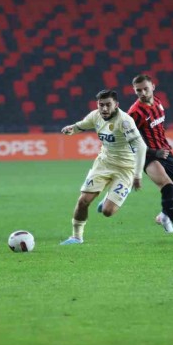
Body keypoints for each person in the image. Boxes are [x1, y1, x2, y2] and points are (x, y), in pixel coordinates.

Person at [59, 89, 147, 245]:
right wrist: (71, 129)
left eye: (108, 105)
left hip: (126, 168)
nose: (104, 109)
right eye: (101, 105)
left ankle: (109, 197)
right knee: (83, 200)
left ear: (116, 105)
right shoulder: (95, 115)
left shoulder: (125, 121)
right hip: (104, 163)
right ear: (97, 105)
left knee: (108, 212)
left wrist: (138, 175)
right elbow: (81, 126)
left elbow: (141, 146)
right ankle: (76, 237)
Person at [126, 74, 173, 237]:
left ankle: (164, 216)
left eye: (145, 89)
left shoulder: (158, 102)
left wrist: (162, 146)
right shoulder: (134, 113)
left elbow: (158, 128)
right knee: (167, 185)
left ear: (153, 87)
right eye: (138, 90)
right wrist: (154, 152)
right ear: (134, 91)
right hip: (147, 154)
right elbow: (130, 140)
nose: (142, 92)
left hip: (164, 149)